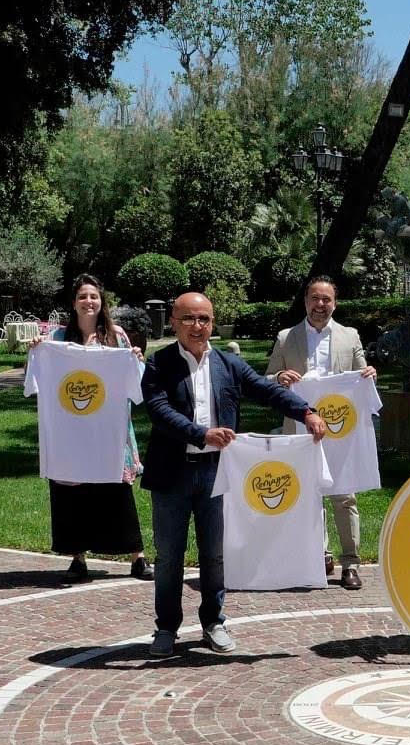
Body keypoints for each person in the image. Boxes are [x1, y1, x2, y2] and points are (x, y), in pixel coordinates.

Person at [141, 291, 326, 657]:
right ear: (174, 322)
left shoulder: (227, 364)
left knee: (215, 554)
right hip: (172, 475)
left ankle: (214, 621)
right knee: (168, 557)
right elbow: (158, 409)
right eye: (190, 319)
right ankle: (166, 628)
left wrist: (306, 411)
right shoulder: (158, 363)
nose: (198, 327)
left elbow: (266, 390)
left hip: (219, 474)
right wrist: (200, 434)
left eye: (205, 319)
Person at [34, 273, 148, 581]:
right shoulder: (56, 339)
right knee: (72, 492)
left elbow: (135, 382)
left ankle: (137, 556)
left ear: (101, 302)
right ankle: (78, 558)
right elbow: (38, 379)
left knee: (117, 491)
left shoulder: (117, 337)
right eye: (82, 296)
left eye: (93, 296)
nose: (88, 302)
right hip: (69, 432)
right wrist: (36, 353)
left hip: (108, 430)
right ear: (73, 303)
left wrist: (135, 359)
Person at [267, 275, 378, 589]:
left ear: (335, 302)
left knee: (344, 496)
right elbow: (267, 377)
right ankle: (320, 554)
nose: (320, 305)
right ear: (305, 301)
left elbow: (362, 372)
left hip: (340, 428)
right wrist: (279, 377)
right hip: (300, 427)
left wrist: (368, 373)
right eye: (314, 299)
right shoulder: (287, 337)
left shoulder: (350, 335)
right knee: (307, 495)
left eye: (326, 299)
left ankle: (350, 564)